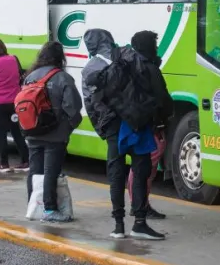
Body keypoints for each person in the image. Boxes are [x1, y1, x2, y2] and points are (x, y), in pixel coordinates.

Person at [81, 28, 165, 241]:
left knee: (116, 174)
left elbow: (90, 102)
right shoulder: (131, 56)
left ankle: (118, 226)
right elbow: (155, 93)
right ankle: (139, 223)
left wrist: (103, 128)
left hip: (112, 126)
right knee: (140, 170)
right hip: (136, 123)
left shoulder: (92, 67)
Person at [23, 41, 83, 222]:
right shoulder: (62, 77)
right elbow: (73, 107)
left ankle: (33, 205)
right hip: (55, 134)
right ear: (60, 57)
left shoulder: (30, 76)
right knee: (51, 171)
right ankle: (49, 210)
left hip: (32, 131)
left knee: (34, 170)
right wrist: (69, 127)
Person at [125, 31, 173, 221]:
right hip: (151, 125)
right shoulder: (149, 69)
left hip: (135, 123)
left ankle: (137, 203)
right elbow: (162, 99)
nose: (157, 48)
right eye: (154, 44)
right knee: (146, 167)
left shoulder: (130, 66)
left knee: (140, 165)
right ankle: (140, 205)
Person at [0, 38, 29, 172]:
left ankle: (4, 163)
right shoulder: (13, 59)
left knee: (1, 133)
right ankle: (25, 161)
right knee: (16, 132)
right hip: (14, 102)